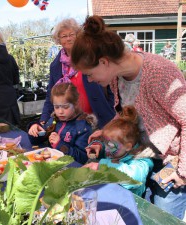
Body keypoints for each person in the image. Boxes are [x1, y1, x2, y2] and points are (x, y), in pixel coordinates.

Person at [71, 15, 186, 219]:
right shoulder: (117, 77)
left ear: (104, 62)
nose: (89, 80)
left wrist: (183, 171)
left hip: (171, 164)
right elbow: (126, 114)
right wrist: (106, 133)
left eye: (89, 74)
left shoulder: (160, 73)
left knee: (161, 219)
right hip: (141, 157)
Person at [40, 18, 115, 129]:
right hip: (71, 124)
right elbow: (50, 95)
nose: (69, 38)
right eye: (64, 36)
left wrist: (111, 109)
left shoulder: (91, 57)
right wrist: (43, 119)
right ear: (58, 40)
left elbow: (111, 86)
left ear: (78, 36)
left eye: (72, 34)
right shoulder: (56, 66)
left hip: (98, 119)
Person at [84, 106, 153, 196]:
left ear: (128, 146)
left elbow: (134, 178)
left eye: (110, 145)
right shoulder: (116, 148)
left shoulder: (141, 160)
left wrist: (101, 166)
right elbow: (108, 150)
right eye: (105, 143)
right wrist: (99, 149)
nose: (106, 148)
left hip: (127, 202)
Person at [28, 83, 97, 164]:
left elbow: (82, 158)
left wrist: (60, 144)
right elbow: (36, 142)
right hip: (52, 165)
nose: (60, 112)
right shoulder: (54, 120)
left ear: (75, 104)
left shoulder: (83, 127)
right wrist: (35, 130)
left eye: (65, 107)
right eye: (56, 107)